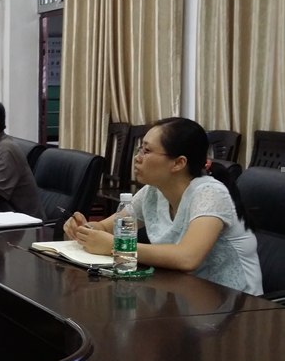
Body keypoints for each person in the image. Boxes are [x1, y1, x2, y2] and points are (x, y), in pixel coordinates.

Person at [63, 117, 262, 295]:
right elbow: (106, 228)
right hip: (184, 294)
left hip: (236, 305)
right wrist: (84, 229)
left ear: (178, 163)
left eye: (147, 151)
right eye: (140, 149)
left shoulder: (210, 193)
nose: (137, 157)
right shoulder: (152, 192)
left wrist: (117, 247)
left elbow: (188, 258)